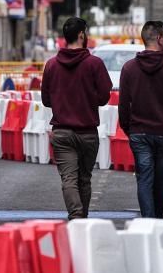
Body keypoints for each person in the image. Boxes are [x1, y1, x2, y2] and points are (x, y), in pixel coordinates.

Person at [41, 17, 112, 219]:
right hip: (88, 133)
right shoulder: (94, 64)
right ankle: (82, 218)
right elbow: (104, 97)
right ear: (82, 35)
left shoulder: (52, 65)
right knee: (84, 179)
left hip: (62, 133)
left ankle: (76, 215)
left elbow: (46, 100)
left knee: (69, 179)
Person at [118, 21, 163, 218]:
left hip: (139, 133)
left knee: (145, 179)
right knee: (158, 179)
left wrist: (128, 128)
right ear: (159, 38)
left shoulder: (129, 68)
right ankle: (155, 220)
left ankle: (149, 222)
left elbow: (124, 104)